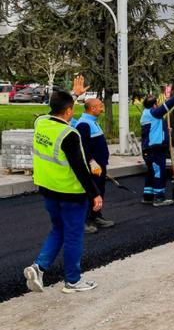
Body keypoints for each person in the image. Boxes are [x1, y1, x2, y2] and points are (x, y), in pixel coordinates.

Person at [23, 90, 103, 294]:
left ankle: (38, 267)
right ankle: (73, 281)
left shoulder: (41, 122)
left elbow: (56, 110)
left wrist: (74, 95)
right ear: (68, 111)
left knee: (58, 229)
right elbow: (80, 169)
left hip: (48, 190)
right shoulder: (69, 135)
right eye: (72, 109)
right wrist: (95, 193)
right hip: (71, 194)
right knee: (73, 236)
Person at [76, 98, 114, 232]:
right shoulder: (83, 124)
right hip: (93, 167)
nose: (102, 109)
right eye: (100, 107)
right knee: (91, 192)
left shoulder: (92, 122)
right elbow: (83, 146)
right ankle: (85, 221)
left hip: (100, 166)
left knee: (99, 191)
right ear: (92, 108)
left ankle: (96, 216)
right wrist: (91, 161)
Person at [140, 87, 174, 206]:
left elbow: (154, 128)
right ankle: (159, 198)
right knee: (159, 172)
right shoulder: (153, 113)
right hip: (155, 148)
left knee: (151, 172)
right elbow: (166, 106)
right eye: (157, 103)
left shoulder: (147, 114)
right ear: (154, 105)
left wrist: (165, 130)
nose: (158, 104)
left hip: (149, 149)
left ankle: (148, 196)